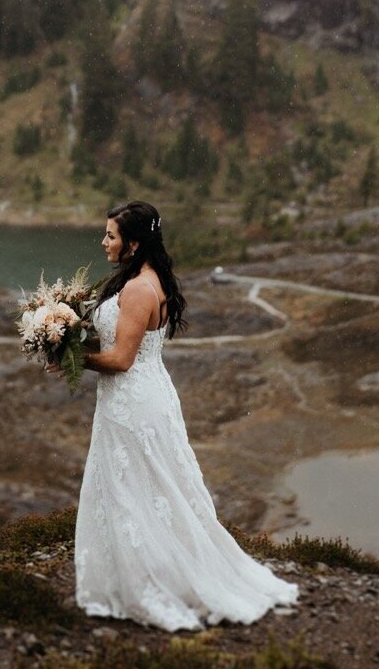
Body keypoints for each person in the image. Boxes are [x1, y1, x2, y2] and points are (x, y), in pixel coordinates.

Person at [69, 200, 297, 629]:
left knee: (133, 489)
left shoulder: (138, 290)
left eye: (111, 235)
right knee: (146, 487)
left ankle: (150, 584)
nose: (103, 241)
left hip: (132, 401)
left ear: (133, 243)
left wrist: (71, 357)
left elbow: (120, 360)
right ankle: (141, 574)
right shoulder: (146, 278)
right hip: (141, 397)